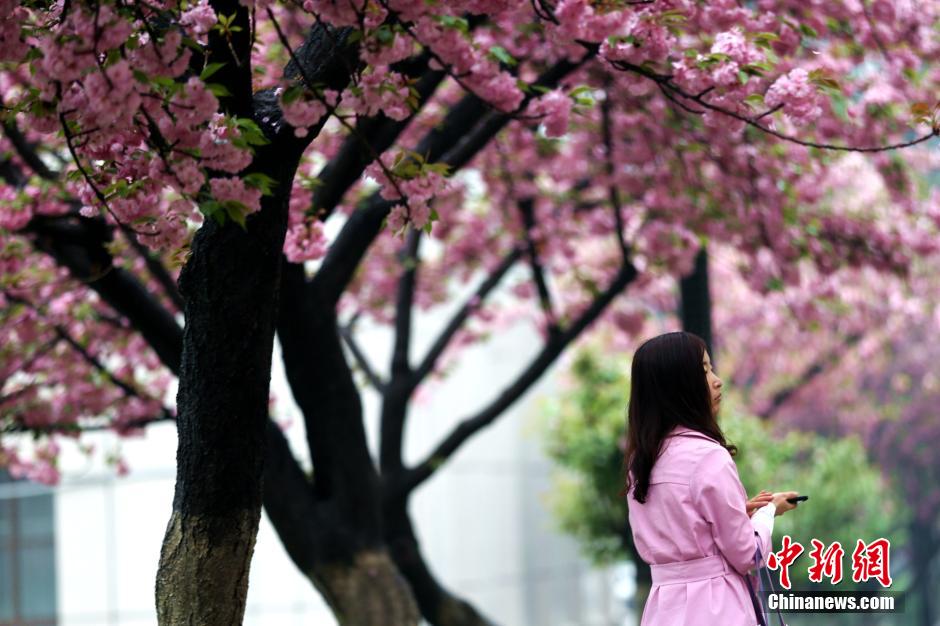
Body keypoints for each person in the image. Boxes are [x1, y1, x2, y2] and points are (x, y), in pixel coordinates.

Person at [623, 331, 801, 625]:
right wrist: (769, 512)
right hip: (718, 609)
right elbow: (747, 554)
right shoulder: (708, 457)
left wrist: (737, 512)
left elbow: (683, 529)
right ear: (679, 386)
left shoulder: (640, 462)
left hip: (662, 611)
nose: (717, 380)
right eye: (704, 371)